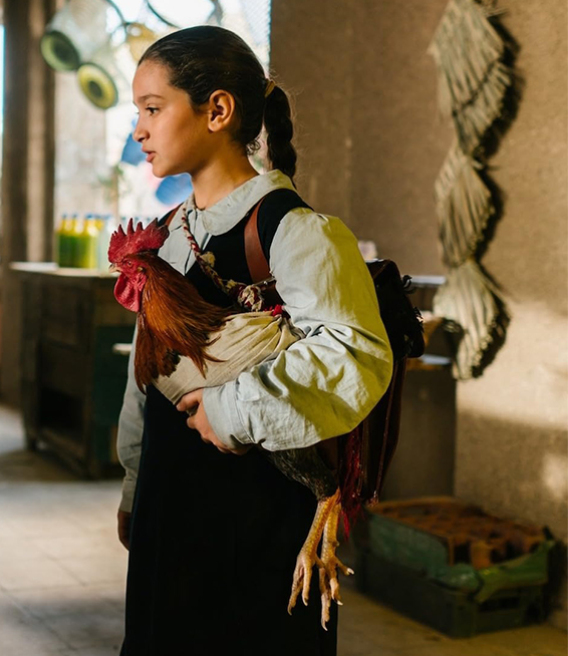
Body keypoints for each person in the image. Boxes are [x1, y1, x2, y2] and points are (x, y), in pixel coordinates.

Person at [115, 27, 393, 655]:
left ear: (217, 110)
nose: (139, 130)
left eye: (153, 109)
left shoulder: (294, 232)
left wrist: (231, 409)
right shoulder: (166, 237)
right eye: (139, 112)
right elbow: (146, 375)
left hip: (254, 513)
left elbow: (354, 353)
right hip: (171, 502)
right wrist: (136, 485)